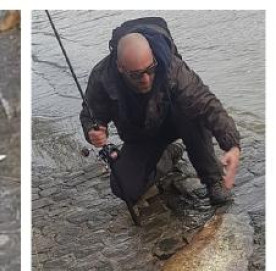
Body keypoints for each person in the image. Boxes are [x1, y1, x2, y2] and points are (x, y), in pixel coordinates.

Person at [81, 17, 240, 206]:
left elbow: (206, 103)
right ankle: (168, 155)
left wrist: (232, 145)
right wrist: (94, 130)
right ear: (120, 67)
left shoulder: (172, 66)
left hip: (176, 122)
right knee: (124, 189)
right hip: (140, 134)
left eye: (150, 69)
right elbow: (91, 113)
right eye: (137, 75)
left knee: (193, 111)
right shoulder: (102, 76)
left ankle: (213, 180)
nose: (146, 79)